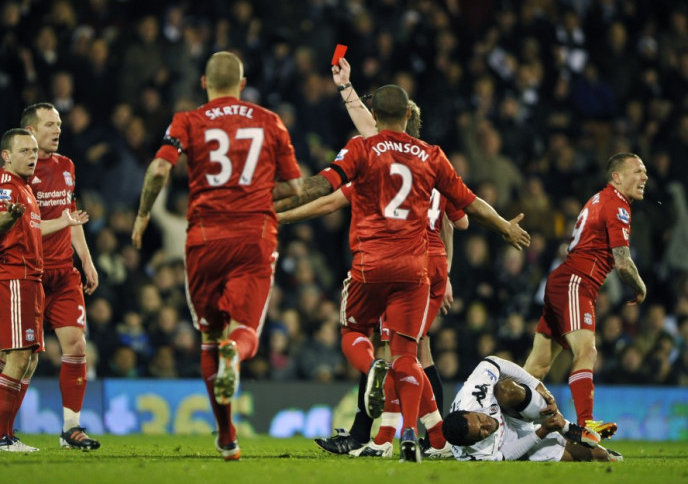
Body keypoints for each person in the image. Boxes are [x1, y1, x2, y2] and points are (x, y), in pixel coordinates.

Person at [275, 84, 530, 461]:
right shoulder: (432, 157)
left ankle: (382, 422)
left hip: (372, 263)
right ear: (408, 115)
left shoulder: (363, 149)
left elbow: (321, 191)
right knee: (410, 354)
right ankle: (414, 435)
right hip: (417, 269)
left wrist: (268, 204)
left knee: (353, 332)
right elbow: (468, 208)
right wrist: (504, 226)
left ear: (374, 117)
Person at [280, 58, 466, 459]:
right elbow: (460, 220)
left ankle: (385, 438)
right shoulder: (432, 160)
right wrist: (447, 271)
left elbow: (328, 200)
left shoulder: (378, 160)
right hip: (426, 264)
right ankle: (423, 436)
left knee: (388, 352)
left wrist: (280, 215)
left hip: (393, 257)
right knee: (414, 353)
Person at [131, 51, 302, 460]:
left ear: (204, 84)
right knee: (245, 332)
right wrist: (258, 193)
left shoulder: (187, 120)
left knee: (210, 335)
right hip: (254, 237)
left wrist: (141, 217)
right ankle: (236, 354)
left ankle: (227, 437)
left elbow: (157, 170)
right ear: (243, 85)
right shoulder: (270, 121)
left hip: (204, 238)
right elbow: (295, 189)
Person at [523, 152, 649, 437]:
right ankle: (586, 423)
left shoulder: (599, 198)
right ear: (616, 177)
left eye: (645, 172)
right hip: (575, 282)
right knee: (587, 350)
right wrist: (641, 287)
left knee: (536, 367)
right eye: (638, 171)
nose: (645, 177)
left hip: (567, 281)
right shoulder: (617, 205)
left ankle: (494, 414)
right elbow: (623, 262)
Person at [0, 128, 88, 451]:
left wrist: (66, 221)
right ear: (7, 155)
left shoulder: (25, 188)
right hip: (15, 277)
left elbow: (35, 227)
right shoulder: (6, 187)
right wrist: (8, 217)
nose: (31, 157)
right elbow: (1, 219)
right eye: (24, 151)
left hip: (30, 280)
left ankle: (6, 434)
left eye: (33, 151)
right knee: (16, 357)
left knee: (27, 360)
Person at [10, 102, 99, 450]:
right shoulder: (20, 173)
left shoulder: (66, 166)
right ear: (31, 131)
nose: (57, 130)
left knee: (76, 345)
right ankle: (1, 429)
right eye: (49, 124)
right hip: (28, 272)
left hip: (63, 273)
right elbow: (23, 226)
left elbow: (70, 216)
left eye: (59, 123)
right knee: (16, 356)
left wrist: (87, 262)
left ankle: (71, 428)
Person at [442, 356, 622, 462]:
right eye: (481, 432)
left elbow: (493, 362)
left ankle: (566, 427)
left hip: (512, 411)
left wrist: (537, 385)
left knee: (505, 389)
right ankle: (575, 436)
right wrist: (541, 432)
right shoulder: (474, 455)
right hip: (515, 440)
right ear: (470, 443)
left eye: (480, 419)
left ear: (469, 411)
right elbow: (506, 454)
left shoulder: (472, 395)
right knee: (598, 456)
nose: (487, 424)